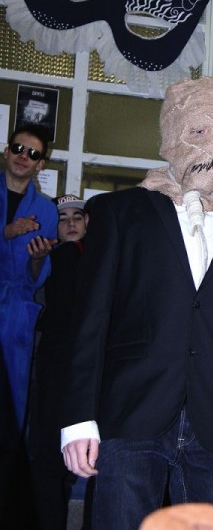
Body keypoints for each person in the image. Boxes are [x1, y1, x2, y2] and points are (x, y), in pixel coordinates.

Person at [59, 77, 213, 530]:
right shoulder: (119, 214)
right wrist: (78, 418)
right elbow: (91, 320)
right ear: (173, 131)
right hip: (132, 413)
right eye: (199, 131)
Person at [0, 123, 58, 527]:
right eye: (18, 148)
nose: (24, 156)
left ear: (41, 165)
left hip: (17, 321)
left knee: (8, 422)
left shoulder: (47, 211)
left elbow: (38, 278)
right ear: (6, 152)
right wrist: (5, 233)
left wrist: (37, 258)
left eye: (33, 153)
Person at [30, 194, 89, 530]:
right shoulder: (51, 257)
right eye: (63, 218)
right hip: (54, 367)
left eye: (77, 217)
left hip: (76, 368)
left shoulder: (93, 258)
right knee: (51, 457)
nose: (70, 223)